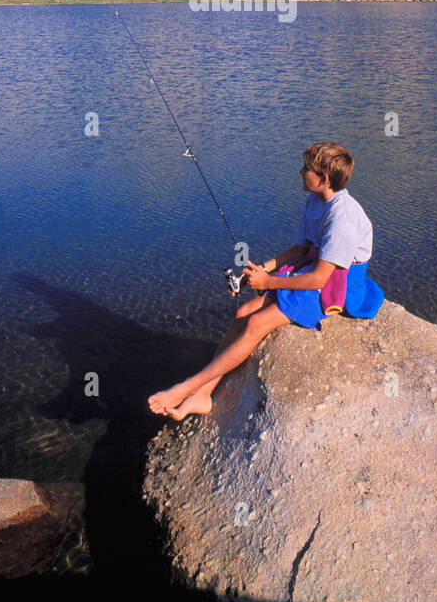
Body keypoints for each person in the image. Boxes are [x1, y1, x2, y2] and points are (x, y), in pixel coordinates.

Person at [147, 141, 384, 420]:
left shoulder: (342, 217)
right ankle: (203, 394)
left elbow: (321, 278)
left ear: (324, 178)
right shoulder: (315, 200)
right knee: (243, 312)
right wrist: (257, 274)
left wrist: (269, 283)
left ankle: (188, 386)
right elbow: (300, 250)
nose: (300, 172)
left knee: (257, 323)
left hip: (336, 284)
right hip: (315, 267)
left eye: (306, 168)